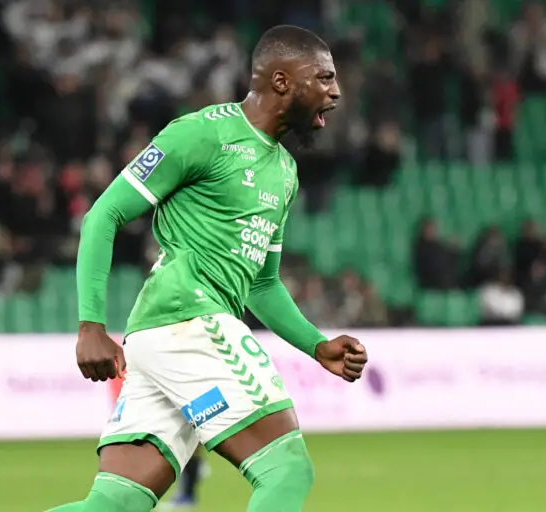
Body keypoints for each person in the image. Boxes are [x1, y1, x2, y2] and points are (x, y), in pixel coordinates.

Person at [48, 25, 368, 512]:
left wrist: (316, 345)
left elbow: (261, 284)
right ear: (281, 81)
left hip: (162, 337)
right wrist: (90, 325)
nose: (336, 91)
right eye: (324, 77)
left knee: (116, 502)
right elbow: (102, 216)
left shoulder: (284, 171)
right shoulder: (202, 133)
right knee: (286, 469)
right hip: (191, 320)